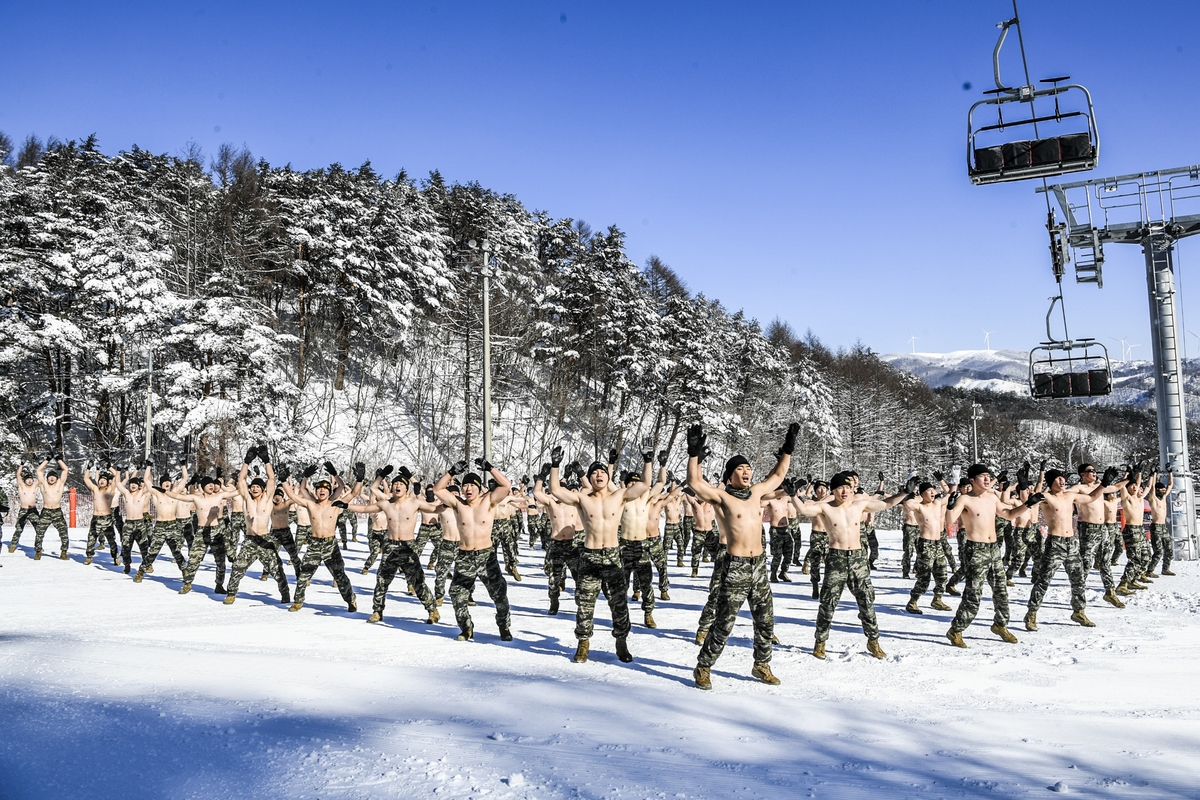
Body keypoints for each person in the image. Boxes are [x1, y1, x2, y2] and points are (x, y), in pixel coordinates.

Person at [689, 423, 797, 690]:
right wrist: (693, 453)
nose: (747, 471)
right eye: (740, 468)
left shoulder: (757, 493)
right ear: (729, 476)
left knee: (765, 620)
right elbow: (695, 483)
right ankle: (703, 666)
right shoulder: (722, 498)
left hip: (758, 566)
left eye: (748, 468)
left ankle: (761, 665)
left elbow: (779, 474)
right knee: (725, 623)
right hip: (735, 566)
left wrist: (789, 447)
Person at [549, 447, 653, 664]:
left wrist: (648, 460)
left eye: (602, 472)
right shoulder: (582, 499)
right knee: (585, 605)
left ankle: (621, 642)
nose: (599, 475)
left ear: (608, 476)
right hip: (589, 557)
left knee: (618, 604)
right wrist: (555, 465)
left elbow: (644, 485)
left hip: (613, 557)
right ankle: (583, 643)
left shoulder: (620, 496)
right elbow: (556, 490)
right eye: (595, 472)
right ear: (590, 477)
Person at [791, 471, 908, 660]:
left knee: (866, 602)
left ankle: (873, 641)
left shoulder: (859, 505)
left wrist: (904, 493)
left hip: (858, 559)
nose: (844, 491)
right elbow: (804, 510)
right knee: (828, 603)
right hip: (836, 559)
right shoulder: (826, 508)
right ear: (833, 490)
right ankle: (820, 642)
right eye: (839, 488)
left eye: (846, 487)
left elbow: (885, 504)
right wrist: (791, 495)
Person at [943, 465, 1048, 646]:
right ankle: (956, 629)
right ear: (972, 480)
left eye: (988, 476)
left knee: (1001, 591)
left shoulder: (992, 498)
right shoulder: (965, 499)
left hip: (993, 550)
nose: (986, 479)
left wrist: (1028, 504)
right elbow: (949, 520)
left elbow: (1008, 514)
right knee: (973, 594)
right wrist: (950, 505)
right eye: (982, 476)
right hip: (976, 550)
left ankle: (1000, 625)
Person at [1023, 467, 1116, 630]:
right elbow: (1033, 498)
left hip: (1071, 542)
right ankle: (1032, 613)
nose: (1062, 481)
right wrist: (1028, 493)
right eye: (1058, 479)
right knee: (1044, 579)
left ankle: (1078, 611)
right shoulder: (1047, 497)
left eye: (1062, 478)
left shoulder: (1070, 496)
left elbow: (1092, 497)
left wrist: (1105, 483)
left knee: (1078, 579)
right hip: (1055, 543)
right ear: (1051, 482)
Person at [433, 458, 514, 642]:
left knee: (499, 594)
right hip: (464, 556)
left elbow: (506, 485)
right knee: (457, 594)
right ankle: (466, 628)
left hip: (486, 557)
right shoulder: (457, 504)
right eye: (465, 486)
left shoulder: (489, 501)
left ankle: (504, 626)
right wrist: (451, 472)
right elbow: (438, 490)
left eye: (472, 485)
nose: (468, 489)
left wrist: (489, 468)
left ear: (479, 487)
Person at [348, 468, 440, 625]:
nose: (397, 485)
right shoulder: (386, 504)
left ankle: (432, 610)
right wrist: (344, 505)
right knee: (382, 580)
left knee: (417, 581)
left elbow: (435, 508)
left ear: (406, 488)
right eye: (395, 483)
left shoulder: (414, 503)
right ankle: (377, 611)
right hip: (390, 545)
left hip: (408, 546)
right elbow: (364, 508)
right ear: (392, 487)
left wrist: (453, 503)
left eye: (401, 484)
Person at [280, 462, 362, 613]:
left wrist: (358, 478)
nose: (322, 490)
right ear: (316, 491)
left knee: (339, 575)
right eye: (319, 488)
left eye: (325, 488)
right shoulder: (311, 504)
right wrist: (284, 480)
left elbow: (352, 493)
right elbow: (292, 495)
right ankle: (298, 601)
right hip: (315, 545)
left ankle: (351, 600)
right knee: (304, 574)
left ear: (329, 491)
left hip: (331, 545)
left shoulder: (335, 504)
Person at [225, 449, 290, 605]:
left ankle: (285, 593)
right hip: (250, 540)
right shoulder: (247, 498)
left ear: (262, 489)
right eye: (253, 486)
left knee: (276, 569)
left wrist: (266, 460)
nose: (254, 488)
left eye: (257, 487)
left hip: (265, 539)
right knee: (238, 568)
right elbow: (241, 480)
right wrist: (246, 461)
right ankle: (231, 593)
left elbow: (272, 478)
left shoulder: (267, 499)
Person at [164, 471, 241, 594]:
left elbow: (237, 492)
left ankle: (219, 585)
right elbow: (178, 496)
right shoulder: (196, 498)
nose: (211, 486)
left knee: (220, 561)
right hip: (201, 531)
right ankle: (187, 584)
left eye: (212, 484)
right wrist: (164, 491)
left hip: (216, 531)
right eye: (208, 484)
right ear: (203, 486)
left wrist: (242, 481)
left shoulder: (219, 496)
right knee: (194, 559)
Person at [1071, 463, 1126, 608]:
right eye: (1090, 471)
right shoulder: (1079, 488)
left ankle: (1110, 592)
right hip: (1088, 529)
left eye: (1095, 471)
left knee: (1106, 561)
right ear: (1082, 474)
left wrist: (1130, 477)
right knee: (1086, 564)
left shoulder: (1099, 486)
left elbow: (1115, 487)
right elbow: (1068, 494)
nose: (1094, 473)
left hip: (1103, 528)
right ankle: (1078, 598)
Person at [533, 464, 581, 615]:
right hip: (556, 544)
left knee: (579, 576)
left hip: (572, 545)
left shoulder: (575, 504)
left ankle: (581, 603)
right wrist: (541, 476)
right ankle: (554, 601)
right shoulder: (551, 503)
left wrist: (579, 473)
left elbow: (587, 490)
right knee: (553, 577)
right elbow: (536, 493)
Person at [618, 459, 660, 629]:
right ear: (626, 485)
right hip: (625, 545)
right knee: (622, 583)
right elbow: (609, 488)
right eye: (631, 482)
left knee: (646, 583)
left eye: (637, 482)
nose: (635, 485)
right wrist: (612, 464)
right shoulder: (621, 500)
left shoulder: (646, 499)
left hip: (642, 546)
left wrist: (657, 464)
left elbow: (659, 483)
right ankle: (622, 616)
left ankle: (648, 613)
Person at [903, 482, 953, 613]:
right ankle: (912, 601)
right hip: (925, 544)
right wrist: (911, 493)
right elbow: (908, 504)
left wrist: (949, 481)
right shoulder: (919, 507)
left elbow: (950, 493)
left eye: (933, 490)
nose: (932, 493)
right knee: (924, 577)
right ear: (922, 493)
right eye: (929, 491)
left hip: (938, 544)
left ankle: (937, 599)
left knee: (942, 575)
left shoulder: (937, 504)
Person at [137, 468, 189, 582]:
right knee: (153, 551)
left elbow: (185, 478)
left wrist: (183, 465)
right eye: (165, 481)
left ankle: (185, 570)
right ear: (161, 483)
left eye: (168, 481)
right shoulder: (156, 494)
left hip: (172, 525)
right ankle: (141, 571)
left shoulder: (174, 493)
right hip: (160, 526)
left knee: (176, 551)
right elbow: (146, 480)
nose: (167, 483)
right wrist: (149, 466)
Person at [1115, 468, 1153, 595]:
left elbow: (1146, 485)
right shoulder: (1127, 498)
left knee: (1146, 556)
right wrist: (1126, 475)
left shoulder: (1140, 499)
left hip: (1140, 530)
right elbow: (1122, 487)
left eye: (1136, 486)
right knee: (1135, 558)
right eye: (1132, 486)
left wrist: (1141, 473)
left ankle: (1134, 579)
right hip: (1131, 530)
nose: (1135, 488)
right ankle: (1123, 583)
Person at [113, 465, 154, 574]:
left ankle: (147, 565)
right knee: (126, 547)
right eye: (131, 484)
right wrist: (118, 471)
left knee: (144, 547)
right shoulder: (126, 494)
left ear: (139, 486)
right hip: (128, 524)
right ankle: (127, 565)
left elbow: (148, 481)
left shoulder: (142, 494)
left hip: (140, 523)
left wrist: (148, 467)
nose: (133, 485)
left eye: (135, 484)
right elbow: (117, 483)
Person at [30, 459, 71, 560]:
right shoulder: (43, 485)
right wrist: (47, 460)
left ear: (57, 478)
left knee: (64, 533)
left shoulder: (60, 484)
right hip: (46, 512)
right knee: (39, 532)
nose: (52, 478)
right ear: (47, 478)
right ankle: (38, 551)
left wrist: (59, 459)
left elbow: (65, 470)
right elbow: (39, 471)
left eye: (54, 476)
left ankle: (64, 552)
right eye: (50, 477)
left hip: (57, 511)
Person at [81, 462, 120, 565]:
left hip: (107, 518)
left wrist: (109, 467)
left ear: (108, 482)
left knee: (111, 540)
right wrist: (88, 467)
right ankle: (89, 556)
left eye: (104, 480)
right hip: (96, 517)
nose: (102, 481)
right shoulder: (95, 490)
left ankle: (116, 557)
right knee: (91, 538)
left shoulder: (110, 490)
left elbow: (117, 476)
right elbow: (86, 479)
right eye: (100, 479)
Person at [802, 480, 831, 598]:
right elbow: (802, 498)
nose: (822, 490)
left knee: (830, 561)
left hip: (829, 535)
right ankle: (815, 584)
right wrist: (810, 484)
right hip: (816, 534)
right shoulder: (812, 503)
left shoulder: (831, 502)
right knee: (815, 561)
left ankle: (828, 586)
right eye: (819, 488)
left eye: (824, 488)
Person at [763, 481, 793, 582]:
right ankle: (774, 573)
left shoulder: (786, 498)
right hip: (776, 530)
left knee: (789, 553)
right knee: (777, 554)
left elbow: (796, 497)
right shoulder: (770, 501)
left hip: (786, 528)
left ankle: (783, 572)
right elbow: (760, 502)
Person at [1146, 471, 1175, 577]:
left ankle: (1165, 569)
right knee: (1158, 551)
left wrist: (1170, 472)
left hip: (1164, 527)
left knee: (1169, 550)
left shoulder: (1163, 498)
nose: (1164, 491)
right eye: (1162, 490)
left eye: (1164, 490)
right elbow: (1152, 487)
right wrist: (1154, 474)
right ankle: (1149, 570)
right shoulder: (1153, 499)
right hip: (1156, 527)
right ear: (1158, 491)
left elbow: (1170, 485)